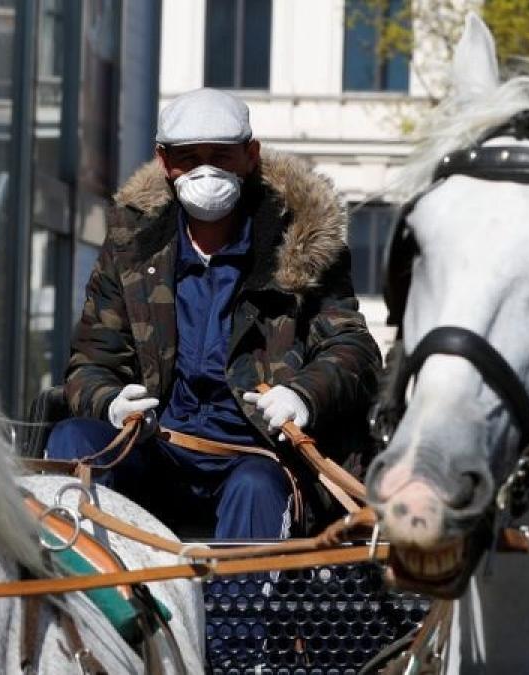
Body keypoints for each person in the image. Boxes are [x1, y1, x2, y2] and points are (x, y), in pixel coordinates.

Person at [46, 88, 380, 539]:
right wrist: (110, 402)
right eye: (189, 158)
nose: (205, 171)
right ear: (164, 161)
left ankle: (239, 590)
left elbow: (353, 349)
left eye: (220, 156)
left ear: (250, 155)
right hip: (155, 448)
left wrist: (303, 395)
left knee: (254, 488)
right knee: (73, 440)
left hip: (258, 458)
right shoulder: (130, 248)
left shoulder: (302, 247)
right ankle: (83, 579)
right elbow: (91, 362)